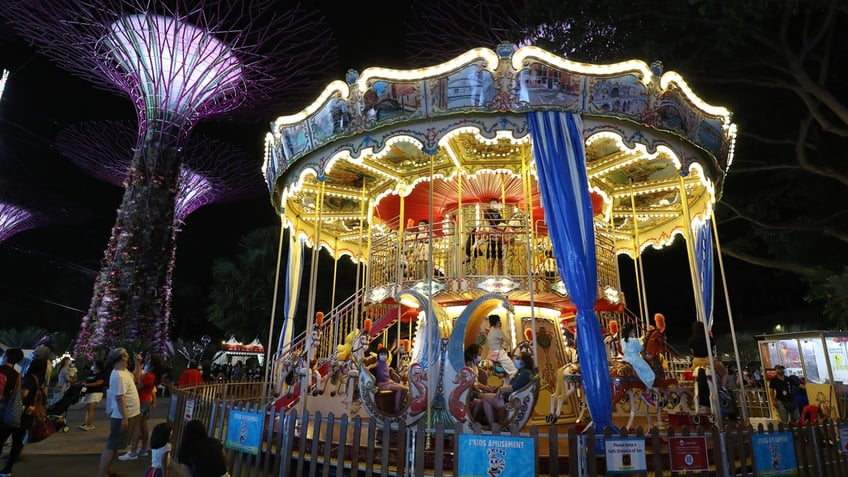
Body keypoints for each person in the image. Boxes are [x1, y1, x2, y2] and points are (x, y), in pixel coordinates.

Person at [98, 347, 141, 477]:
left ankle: (107, 470)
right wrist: (124, 418)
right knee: (112, 445)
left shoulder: (124, 372)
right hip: (122, 417)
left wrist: (138, 364)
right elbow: (119, 398)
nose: (128, 357)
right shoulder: (117, 375)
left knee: (115, 445)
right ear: (122, 358)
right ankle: (102, 473)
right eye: (126, 355)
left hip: (129, 414)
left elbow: (136, 379)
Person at [481, 352, 534, 427]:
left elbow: (513, 387)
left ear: (524, 361)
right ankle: (492, 425)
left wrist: (501, 389)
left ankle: (493, 425)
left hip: (510, 399)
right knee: (486, 399)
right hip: (509, 397)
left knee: (485, 396)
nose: (516, 360)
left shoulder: (525, 373)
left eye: (518, 359)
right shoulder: (521, 372)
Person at [120, 361, 157, 460]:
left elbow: (136, 387)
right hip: (145, 402)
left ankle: (133, 452)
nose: (145, 365)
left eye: (148, 363)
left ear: (152, 366)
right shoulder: (150, 376)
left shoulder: (148, 377)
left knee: (137, 427)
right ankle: (143, 449)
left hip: (142, 403)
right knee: (143, 426)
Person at [0, 348, 26, 477]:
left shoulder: (0, 370)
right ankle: (6, 470)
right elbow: (17, 395)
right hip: (7, 411)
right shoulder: (17, 376)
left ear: (5, 356)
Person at [620, 323, 656, 406]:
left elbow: (623, 350)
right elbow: (641, 350)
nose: (635, 332)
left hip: (625, 359)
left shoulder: (622, 340)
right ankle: (646, 393)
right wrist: (646, 354)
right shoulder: (634, 340)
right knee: (650, 374)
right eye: (634, 331)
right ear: (631, 331)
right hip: (634, 359)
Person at [687, 320, 729, 389]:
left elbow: (692, 351)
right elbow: (713, 346)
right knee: (724, 374)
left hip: (697, 361)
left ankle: (693, 387)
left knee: (692, 376)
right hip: (710, 360)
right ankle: (723, 388)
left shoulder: (691, 340)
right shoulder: (708, 338)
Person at [372, 348, 407, 413]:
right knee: (399, 389)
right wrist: (367, 367)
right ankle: (396, 408)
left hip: (389, 382)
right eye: (381, 354)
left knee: (405, 389)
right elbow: (372, 366)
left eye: (385, 354)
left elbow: (387, 369)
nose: (383, 356)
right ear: (379, 356)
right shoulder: (378, 363)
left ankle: (401, 404)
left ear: (387, 355)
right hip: (382, 384)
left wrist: (390, 369)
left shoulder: (386, 363)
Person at [79, 360, 108, 431]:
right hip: (88, 392)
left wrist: (87, 385)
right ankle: (87, 422)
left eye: (94, 364)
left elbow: (99, 382)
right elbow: (86, 380)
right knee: (88, 408)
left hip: (96, 392)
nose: (93, 365)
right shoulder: (91, 372)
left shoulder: (101, 374)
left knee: (91, 408)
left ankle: (88, 424)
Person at [486, 314, 517, 379]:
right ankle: (515, 381)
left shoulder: (490, 331)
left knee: (503, 368)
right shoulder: (498, 331)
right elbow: (508, 342)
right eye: (499, 321)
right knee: (512, 368)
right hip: (499, 352)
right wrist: (510, 336)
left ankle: (504, 379)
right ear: (497, 322)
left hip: (491, 353)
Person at [483, 199, 505, 275]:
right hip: (491, 235)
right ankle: (489, 275)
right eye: (492, 204)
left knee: (500, 261)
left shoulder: (498, 214)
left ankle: (501, 276)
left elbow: (503, 224)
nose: (494, 205)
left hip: (499, 237)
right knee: (491, 262)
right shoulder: (488, 212)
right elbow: (487, 224)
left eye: (495, 204)